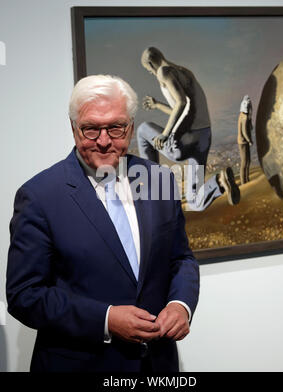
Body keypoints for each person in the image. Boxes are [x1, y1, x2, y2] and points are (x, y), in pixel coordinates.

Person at [6, 75, 200, 373]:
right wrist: (106, 319)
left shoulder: (159, 179)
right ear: (74, 129)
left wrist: (180, 305)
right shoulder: (40, 196)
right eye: (91, 129)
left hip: (158, 365)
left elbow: (181, 258)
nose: (104, 140)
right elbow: (25, 295)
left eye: (115, 127)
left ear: (131, 127)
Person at [137, 47, 240, 210]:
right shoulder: (184, 72)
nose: (150, 72)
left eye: (147, 69)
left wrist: (165, 134)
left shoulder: (163, 72)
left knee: (143, 130)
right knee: (194, 201)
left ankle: (154, 190)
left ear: (150, 63)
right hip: (203, 138)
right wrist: (158, 105)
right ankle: (220, 182)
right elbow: (181, 109)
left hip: (186, 139)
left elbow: (181, 103)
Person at [237, 95, 253, 184]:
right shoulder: (245, 117)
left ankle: (246, 179)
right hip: (243, 142)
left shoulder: (241, 115)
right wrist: (249, 140)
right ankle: (244, 181)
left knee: (248, 160)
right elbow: (244, 131)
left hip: (243, 141)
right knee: (244, 161)